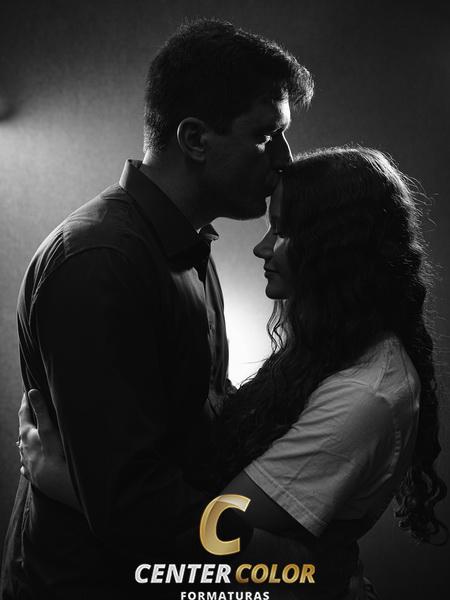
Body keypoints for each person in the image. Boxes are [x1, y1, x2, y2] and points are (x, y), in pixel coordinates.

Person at [15, 147, 448, 600]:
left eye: (282, 231)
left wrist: (61, 480)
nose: (262, 247)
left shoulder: (366, 394)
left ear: (336, 247)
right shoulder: (334, 345)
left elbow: (215, 534)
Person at [1, 18, 314, 600]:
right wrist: (287, 566)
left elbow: (198, 426)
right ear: (194, 139)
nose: (284, 158)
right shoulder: (100, 261)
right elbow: (132, 504)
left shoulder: (186, 247)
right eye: (266, 134)